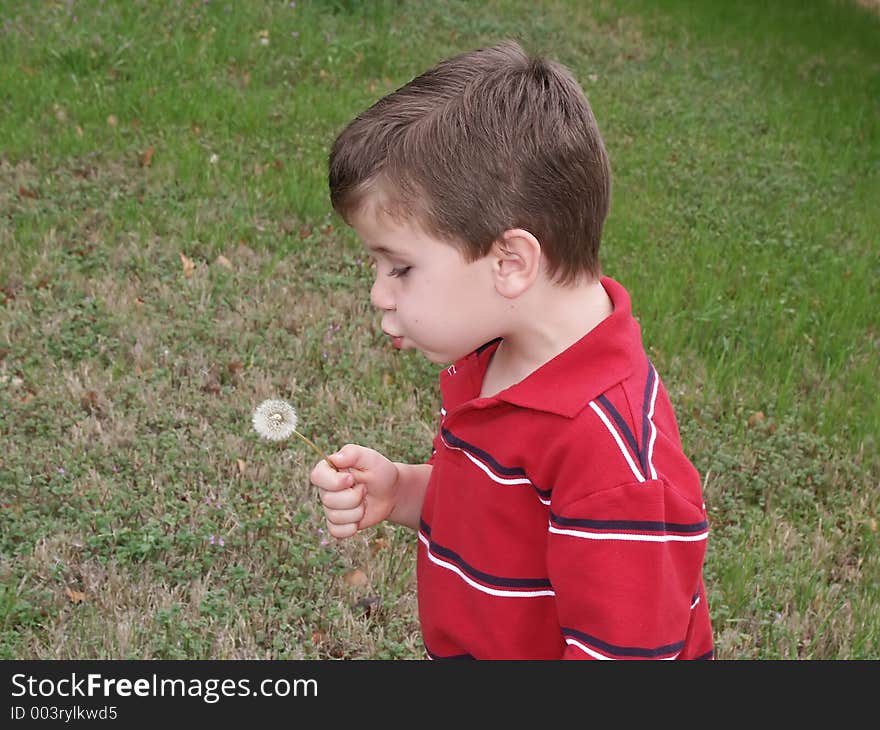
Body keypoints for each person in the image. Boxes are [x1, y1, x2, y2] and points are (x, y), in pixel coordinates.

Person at [310, 40, 714, 660]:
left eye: (399, 268)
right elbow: (496, 517)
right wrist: (402, 493)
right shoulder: (498, 354)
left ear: (511, 262)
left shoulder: (615, 469)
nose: (378, 295)